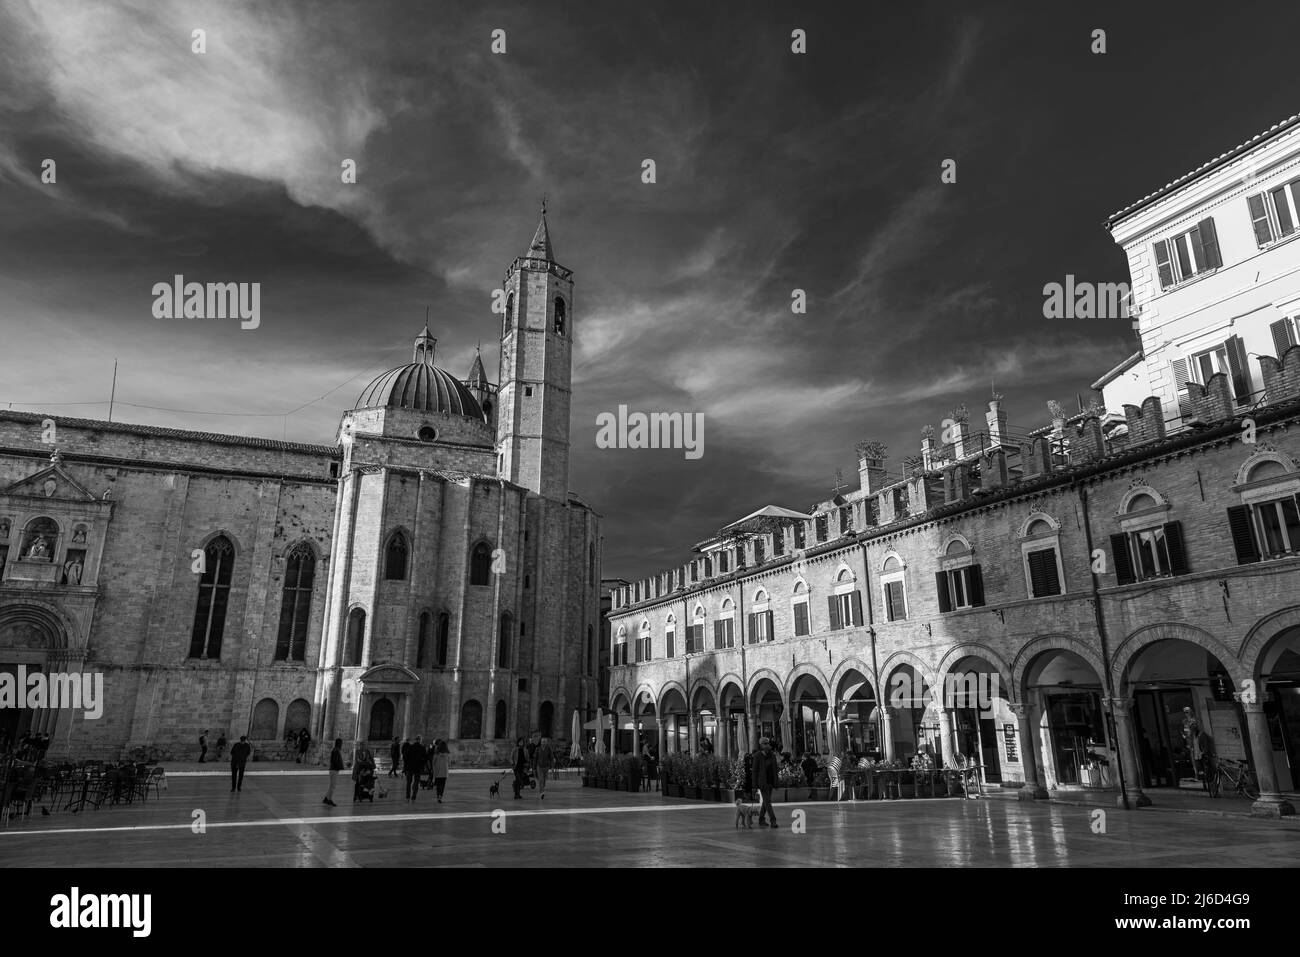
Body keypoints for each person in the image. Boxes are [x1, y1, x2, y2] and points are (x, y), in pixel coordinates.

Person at [752, 738, 778, 828]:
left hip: (770, 781)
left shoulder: (772, 755)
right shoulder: (757, 755)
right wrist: (754, 785)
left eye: (767, 743)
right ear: (761, 745)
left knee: (766, 802)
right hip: (762, 782)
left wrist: (776, 782)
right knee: (767, 801)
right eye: (764, 743)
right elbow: (755, 771)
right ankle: (773, 820)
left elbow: (775, 769)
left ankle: (761, 819)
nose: (767, 745)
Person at [402, 736, 426, 801]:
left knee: (408, 783)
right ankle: (413, 796)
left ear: (415, 740)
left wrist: (406, 765)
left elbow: (405, 756)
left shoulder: (410, 747)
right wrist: (422, 765)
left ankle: (407, 797)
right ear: (420, 740)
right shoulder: (422, 748)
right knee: (416, 782)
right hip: (418, 768)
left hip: (409, 767)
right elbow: (424, 758)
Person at [323, 738, 344, 805]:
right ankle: (329, 799)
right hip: (334, 770)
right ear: (339, 743)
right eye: (341, 743)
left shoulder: (335, 750)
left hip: (333, 769)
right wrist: (340, 766)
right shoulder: (336, 750)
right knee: (333, 786)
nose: (341, 744)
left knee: (331, 785)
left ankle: (326, 798)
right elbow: (334, 761)